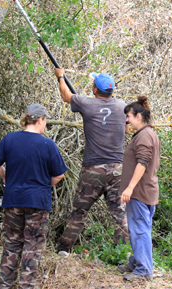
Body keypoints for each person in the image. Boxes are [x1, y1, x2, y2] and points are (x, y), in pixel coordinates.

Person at [0, 104, 68, 289]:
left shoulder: (10, 139)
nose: (45, 124)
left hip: (13, 199)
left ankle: (4, 287)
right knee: (33, 244)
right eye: (45, 121)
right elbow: (59, 174)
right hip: (38, 202)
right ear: (40, 120)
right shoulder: (48, 144)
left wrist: (5, 175)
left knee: (12, 242)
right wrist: (43, 185)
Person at [53, 68, 130, 254]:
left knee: (79, 211)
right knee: (120, 214)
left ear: (95, 90)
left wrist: (60, 76)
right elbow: (127, 130)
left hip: (92, 170)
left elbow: (65, 95)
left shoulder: (87, 104)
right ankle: (123, 253)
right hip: (118, 170)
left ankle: (64, 250)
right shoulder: (122, 106)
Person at [117, 95, 161, 281]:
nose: (126, 119)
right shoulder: (147, 133)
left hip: (139, 192)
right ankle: (136, 262)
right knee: (141, 229)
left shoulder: (143, 136)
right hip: (147, 191)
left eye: (129, 116)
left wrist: (129, 188)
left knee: (139, 231)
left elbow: (142, 163)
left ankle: (143, 271)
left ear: (139, 116)